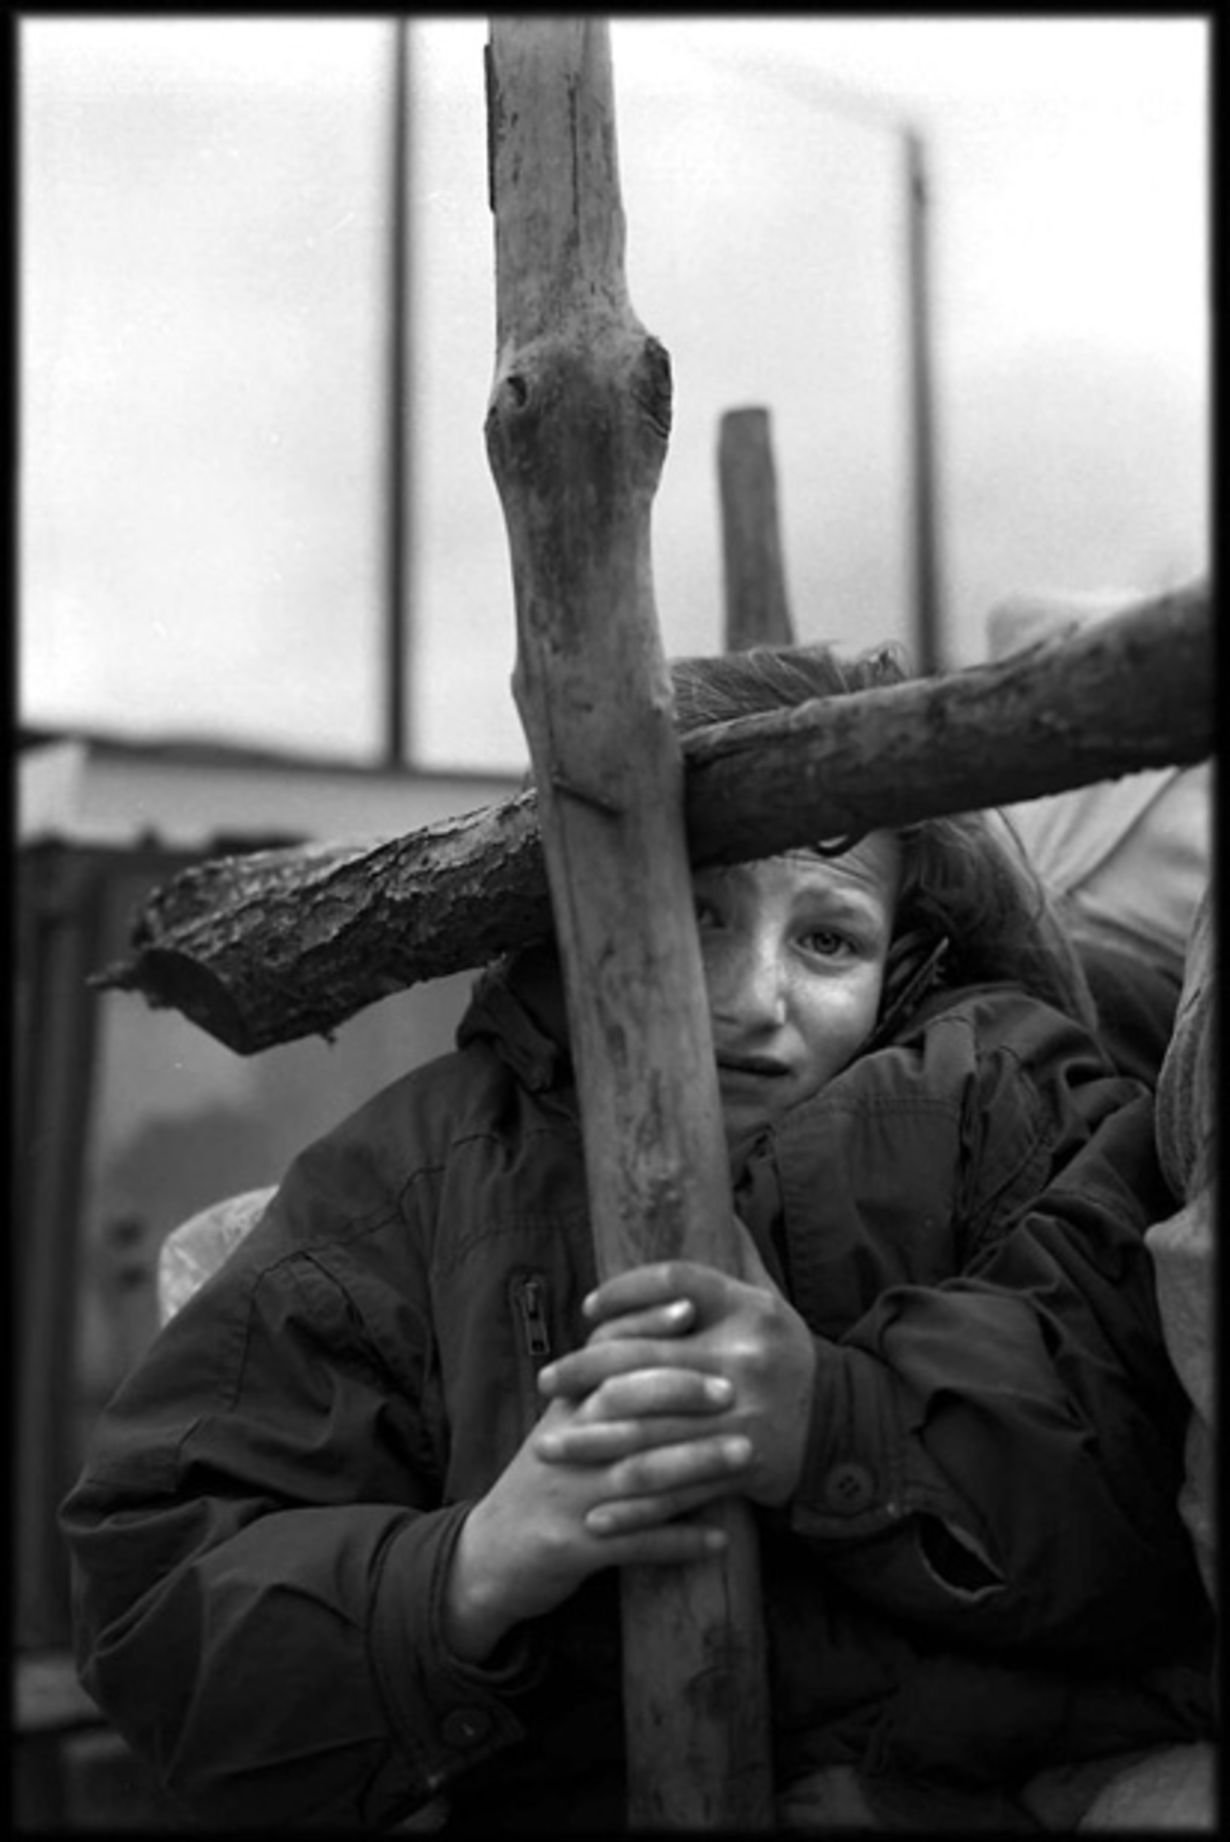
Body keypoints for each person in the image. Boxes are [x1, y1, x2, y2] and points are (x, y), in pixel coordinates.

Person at [61, 642, 1213, 1832]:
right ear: (574, 919)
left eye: (829, 940)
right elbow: (161, 1600)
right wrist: (471, 1568)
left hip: (1021, 1790)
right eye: (697, 914)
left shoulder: (1009, 1098)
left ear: (907, 953)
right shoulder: (422, 1173)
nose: (753, 1000)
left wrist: (831, 1426)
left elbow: (1140, 1490)